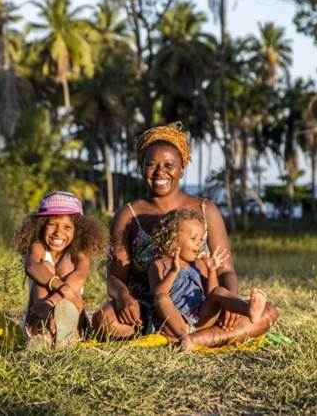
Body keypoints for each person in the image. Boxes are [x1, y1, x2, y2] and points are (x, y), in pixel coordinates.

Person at [91, 122, 278, 344]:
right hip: (148, 310)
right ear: (142, 168)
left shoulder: (205, 209)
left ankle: (195, 339)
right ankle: (201, 337)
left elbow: (226, 270)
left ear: (182, 168)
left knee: (269, 313)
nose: (160, 172)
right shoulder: (129, 215)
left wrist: (231, 303)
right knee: (103, 319)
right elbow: (114, 277)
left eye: (169, 165)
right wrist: (123, 298)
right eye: (151, 165)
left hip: (203, 308)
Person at [149, 208, 270, 351]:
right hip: (176, 321)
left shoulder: (198, 264)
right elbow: (158, 294)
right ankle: (184, 338)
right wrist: (174, 271)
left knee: (219, 291)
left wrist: (212, 270)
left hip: (202, 317)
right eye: (193, 239)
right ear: (173, 240)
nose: (199, 244)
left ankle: (248, 309)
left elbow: (211, 294)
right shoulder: (158, 265)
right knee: (162, 299)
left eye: (201, 240)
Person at [13, 191, 106, 348]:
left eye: (67, 227)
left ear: (78, 230)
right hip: (38, 313)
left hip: (70, 311)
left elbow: (80, 276)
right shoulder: (38, 247)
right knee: (45, 268)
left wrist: (52, 301)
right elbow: (32, 266)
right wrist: (61, 290)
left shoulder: (79, 253)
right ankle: (42, 333)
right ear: (41, 226)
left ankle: (70, 333)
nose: (58, 232)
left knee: (67, 264)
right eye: (52, 225)